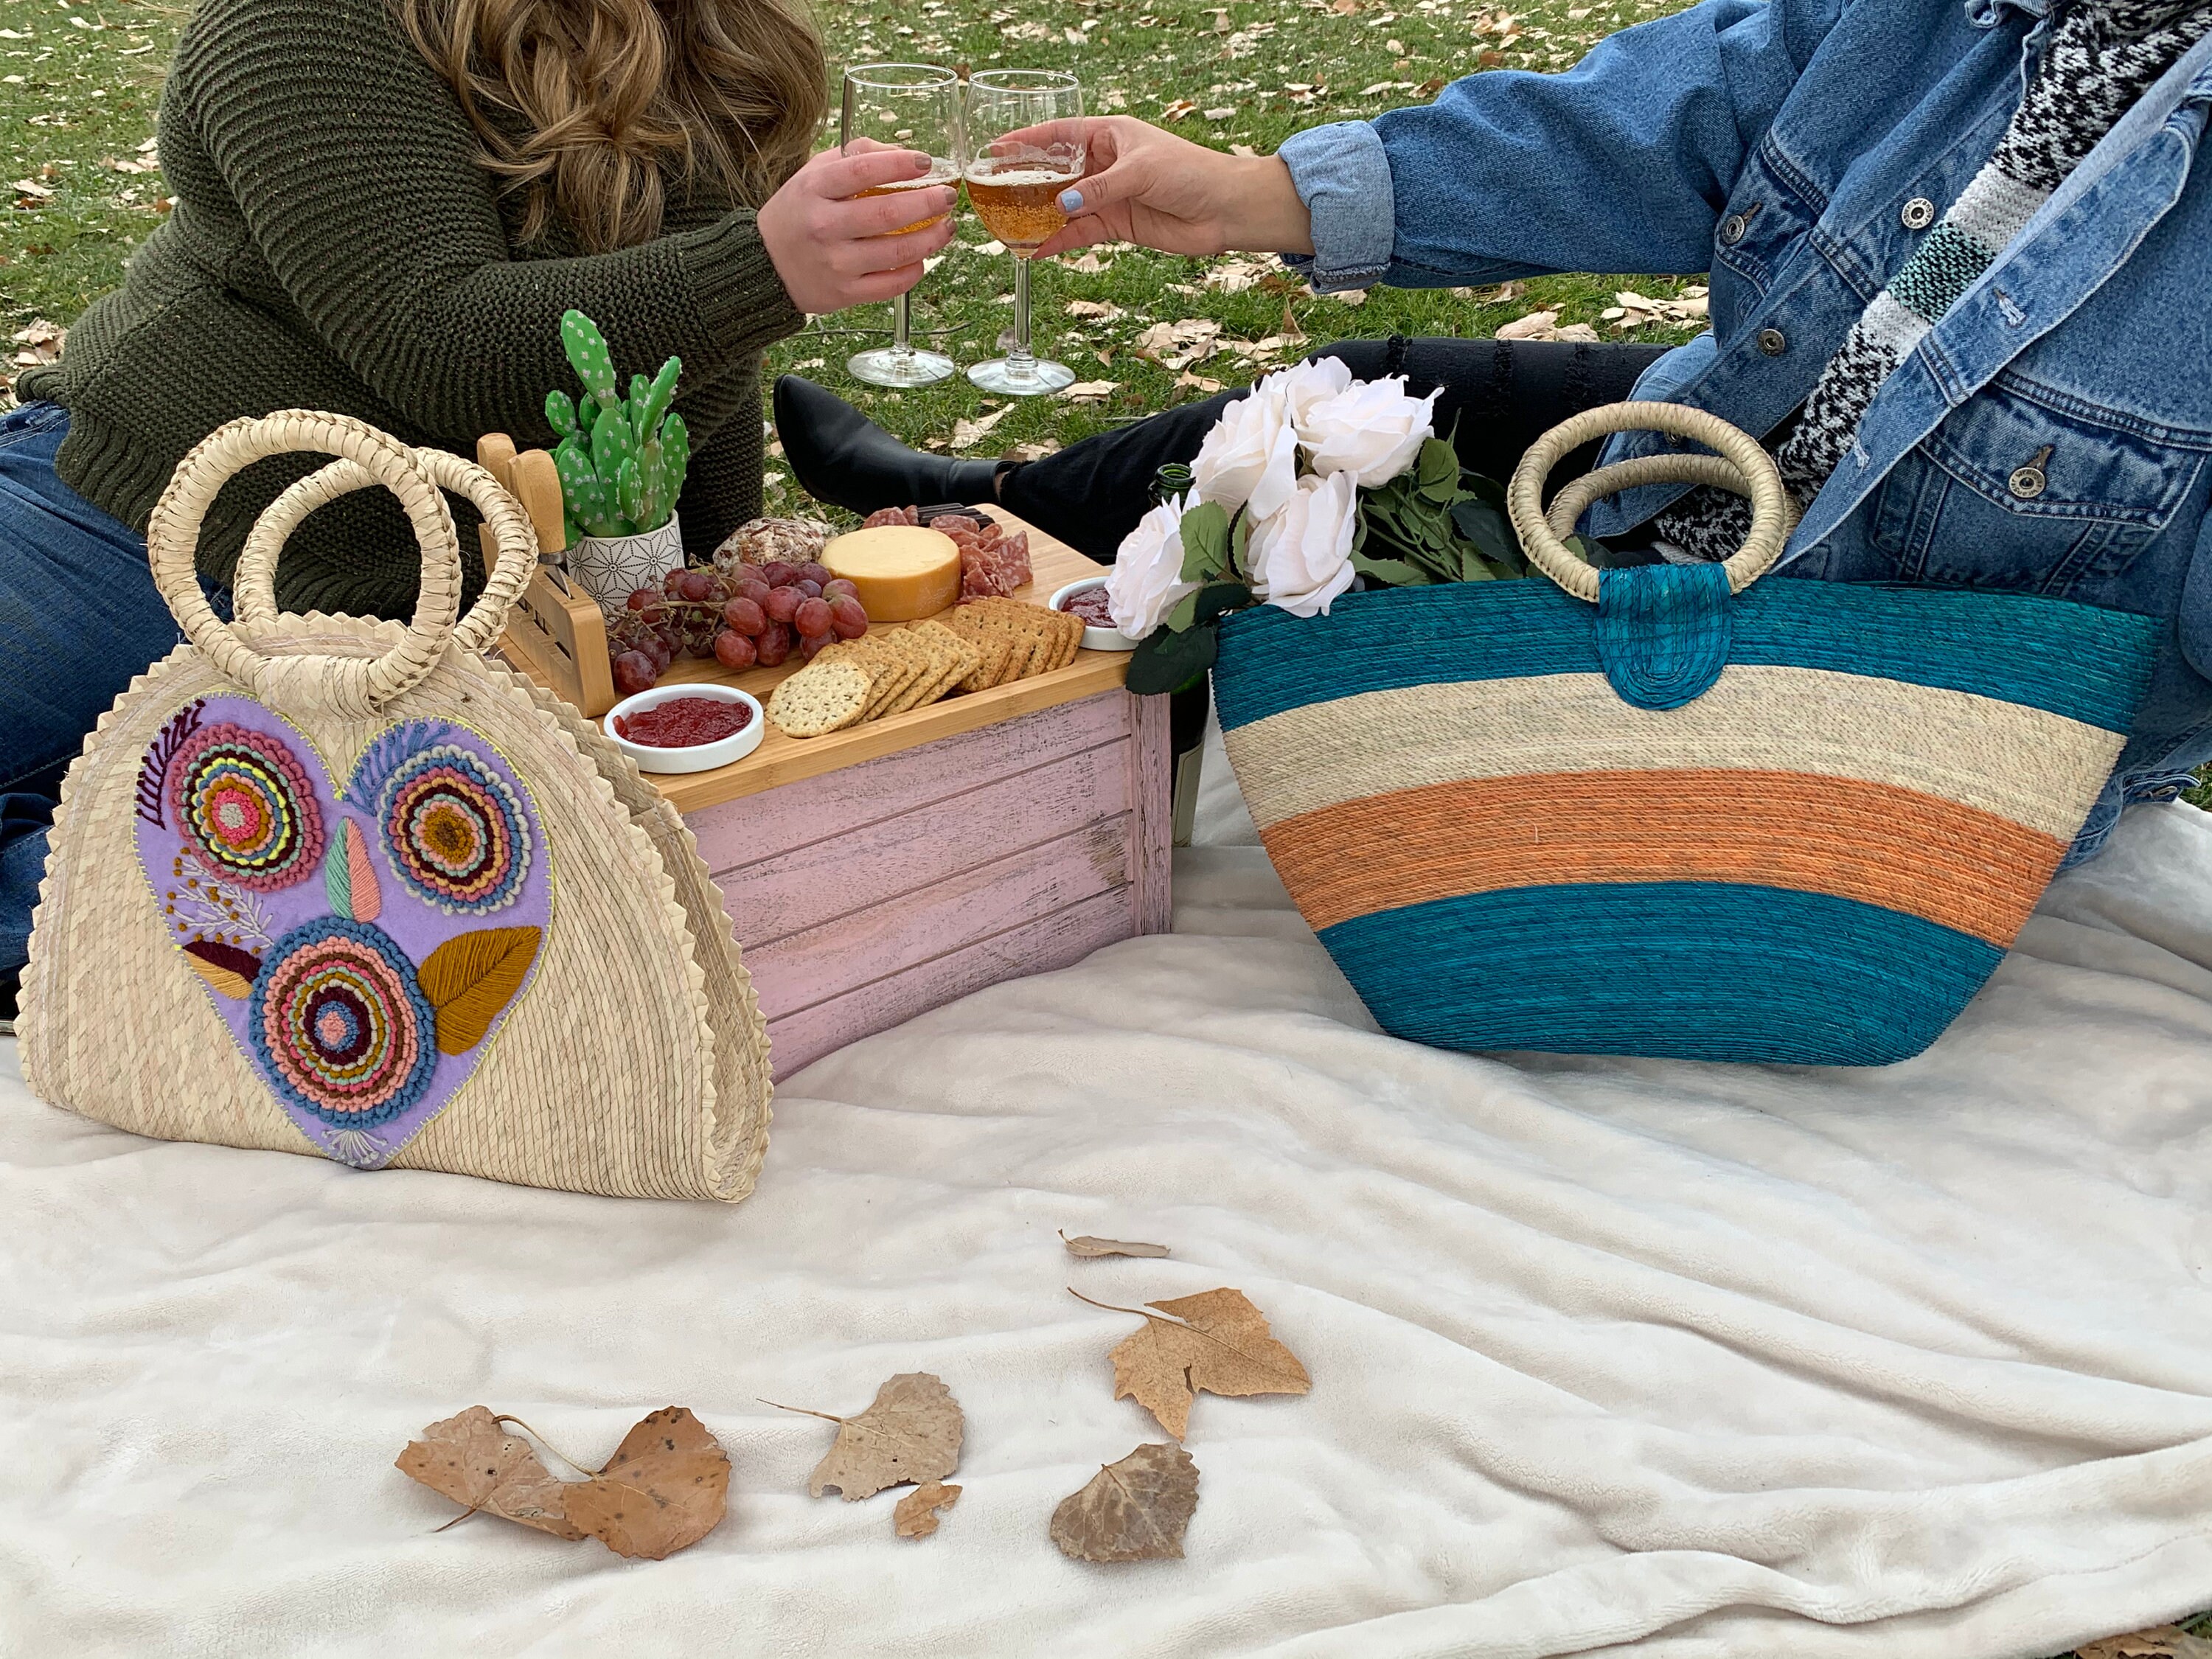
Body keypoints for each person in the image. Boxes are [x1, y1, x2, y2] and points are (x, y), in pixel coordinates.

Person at [776, 0, 2212, 871]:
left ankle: (991, 508)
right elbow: (1637, 128)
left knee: (1314, 477)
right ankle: (998, 496)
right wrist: (1244, 195)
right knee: (1359, 386)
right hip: (1719, 458)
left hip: (1846, 714)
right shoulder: (1943, 24)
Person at [0, 0, 963, 1023]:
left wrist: (701, 591)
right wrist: (758, 269)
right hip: (130, 528)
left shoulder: (713, 25)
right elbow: (437, 340)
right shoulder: (300, 17)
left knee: (358, 918)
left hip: (424, 624)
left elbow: (692, 363)